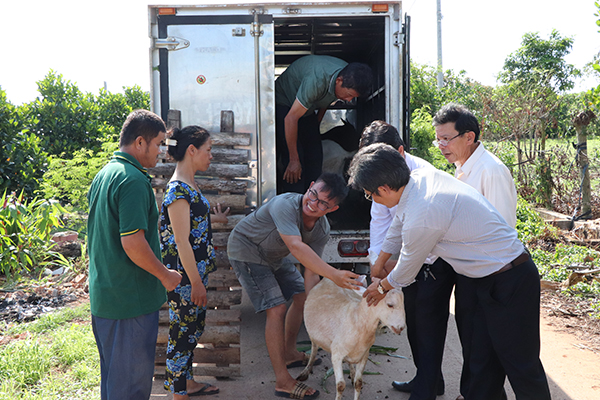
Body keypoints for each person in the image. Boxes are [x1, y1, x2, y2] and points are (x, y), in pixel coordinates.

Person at [348, 144, 551, 400]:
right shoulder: (418, 181)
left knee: (520, 363)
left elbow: (406, 272)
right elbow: (398, 224)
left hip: (510, 278)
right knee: (481, 360)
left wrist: (379, 287)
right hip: (482, 279)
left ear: (385, 189)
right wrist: (379, 263)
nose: (373, 200)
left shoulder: (424, 212)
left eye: (370, 195)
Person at [227, 172, 361, 400]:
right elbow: (297, 248)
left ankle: (289, 352)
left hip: (274, 256)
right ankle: (283, 381)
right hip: (246, 250)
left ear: (332, 209)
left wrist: (315, 308)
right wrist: (335, 275)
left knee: (301, 297)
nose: (313, 203)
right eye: (313, 194)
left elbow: (312, 270)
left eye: (323, 203)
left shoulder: (322, 229)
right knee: (276, 308)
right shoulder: (285, 204)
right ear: (310, 186)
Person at [87, 109, 182, 400]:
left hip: (107, 298)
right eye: (158, 144)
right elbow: (133, 243)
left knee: (115, 383)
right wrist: (165, 275)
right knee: (130, 388)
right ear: (140, 143)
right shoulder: (132, 180)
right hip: (130, 302)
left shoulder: (105, 174)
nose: (161, 152)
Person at [432, 103, 518, 400]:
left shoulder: (490, 171)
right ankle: (473, 394)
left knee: (486, 346)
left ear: (469, 137)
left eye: (446, 139)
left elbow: (503, 232)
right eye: (438, 139)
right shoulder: (462, 169)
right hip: (469, 273)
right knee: (471, 341)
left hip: (491, 275)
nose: (441, 145)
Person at [359, 121, 449, 399]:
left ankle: (426, 391)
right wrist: (378, 264)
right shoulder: (380, 176)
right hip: (412, 259)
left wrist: (386, 282)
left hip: (437, 260)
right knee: (415, 322)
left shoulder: (424, 177)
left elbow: (419, 247)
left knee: (428, 323)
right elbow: (383, 226)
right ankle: (430, 380)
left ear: (399, 151)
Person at [159, 126, 231, 398]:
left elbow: (189, 226)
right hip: (186, 279)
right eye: (208, 149)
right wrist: (197, 283)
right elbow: (181, 241)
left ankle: (188, 384)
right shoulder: (178, 191)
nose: (211, 155)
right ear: (192, 150)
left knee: (191, 331)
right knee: (182, 336)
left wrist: (216, 220)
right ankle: (179, 394)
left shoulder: (188, 186)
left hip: (193, 276)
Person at [275, 55, 373, 193]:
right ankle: (294, 202)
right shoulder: (316, 81)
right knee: (296, 162)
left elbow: (324, 101)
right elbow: (290, 119)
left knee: (315, 155)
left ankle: (313, 197)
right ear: (339, 81)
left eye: (353, 98)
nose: (349, 100)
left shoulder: (347, 74)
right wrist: (293, 160)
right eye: (349, 95)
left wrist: (314, 129)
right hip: (285, 103)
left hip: (306, 108)